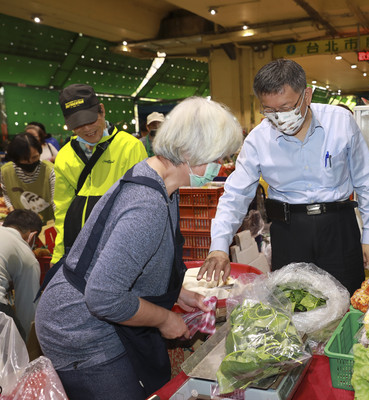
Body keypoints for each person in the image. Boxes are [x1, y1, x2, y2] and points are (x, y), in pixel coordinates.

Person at [35, 97, 243, 400]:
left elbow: (134, 259)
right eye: (217, 158)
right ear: (190, 152)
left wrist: (176, 293)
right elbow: (104, 298)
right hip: (79, 328)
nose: (219, 167)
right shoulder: (146, 206)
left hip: (91, 313)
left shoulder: (159, 181)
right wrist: (164, 318)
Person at [201, 59, 369, 293]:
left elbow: (366, 181)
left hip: (338, 227)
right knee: (294, 306)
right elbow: (235, 195)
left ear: (307, 96)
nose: (279, 117)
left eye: (286, 108)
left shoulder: (340, 122)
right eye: (269, 111)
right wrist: (219, 245)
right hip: (289, 232)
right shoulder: (258, 139)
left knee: (348, 298)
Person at [51, 84, 147, 265]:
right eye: (78, 124)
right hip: (77, 249)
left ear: (101, 110)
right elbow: (62, 209)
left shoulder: (129, 147)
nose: (86, 129)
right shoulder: (64, 155)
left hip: (117, 248)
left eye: (90, 120)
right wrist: (58, 255)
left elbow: (140, 203)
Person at [0, 209, 42, 341]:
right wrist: (27, 345)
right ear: (32, 235)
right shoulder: (27, 256)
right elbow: (28, 309)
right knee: (16, 341)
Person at [0, 132, 55, 223]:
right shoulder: (6, 172)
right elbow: (7, 194)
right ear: (15, 158)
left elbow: (56, 201)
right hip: (22, 225)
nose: (30, 162)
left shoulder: (49, 170)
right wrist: (13, 213)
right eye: (25, 159)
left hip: (50, 224)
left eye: (35, 157)